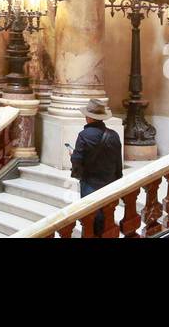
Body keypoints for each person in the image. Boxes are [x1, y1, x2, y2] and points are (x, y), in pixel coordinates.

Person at [70, 99, 123, 236]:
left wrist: (72, 156)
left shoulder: (84, 135)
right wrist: (118, 179)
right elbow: (118, 162)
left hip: (90, 183)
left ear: (89, 117)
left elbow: (77, 160)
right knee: (106, 217)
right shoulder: (114, 135)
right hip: (109, 182)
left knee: (89, 219)